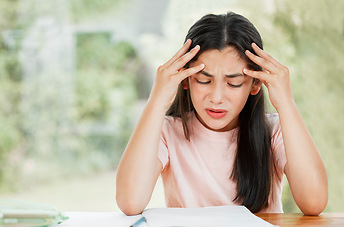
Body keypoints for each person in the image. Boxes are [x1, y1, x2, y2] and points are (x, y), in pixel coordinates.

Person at [116, 12, 328, 216]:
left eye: (233, 83)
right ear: (186, 79)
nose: (216, 97)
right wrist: (157, 101)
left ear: (255, 84)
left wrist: (287, 104)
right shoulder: (167, 131)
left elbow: (314, 202)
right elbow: (130, 202)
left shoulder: (273, 130)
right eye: (203, 80)